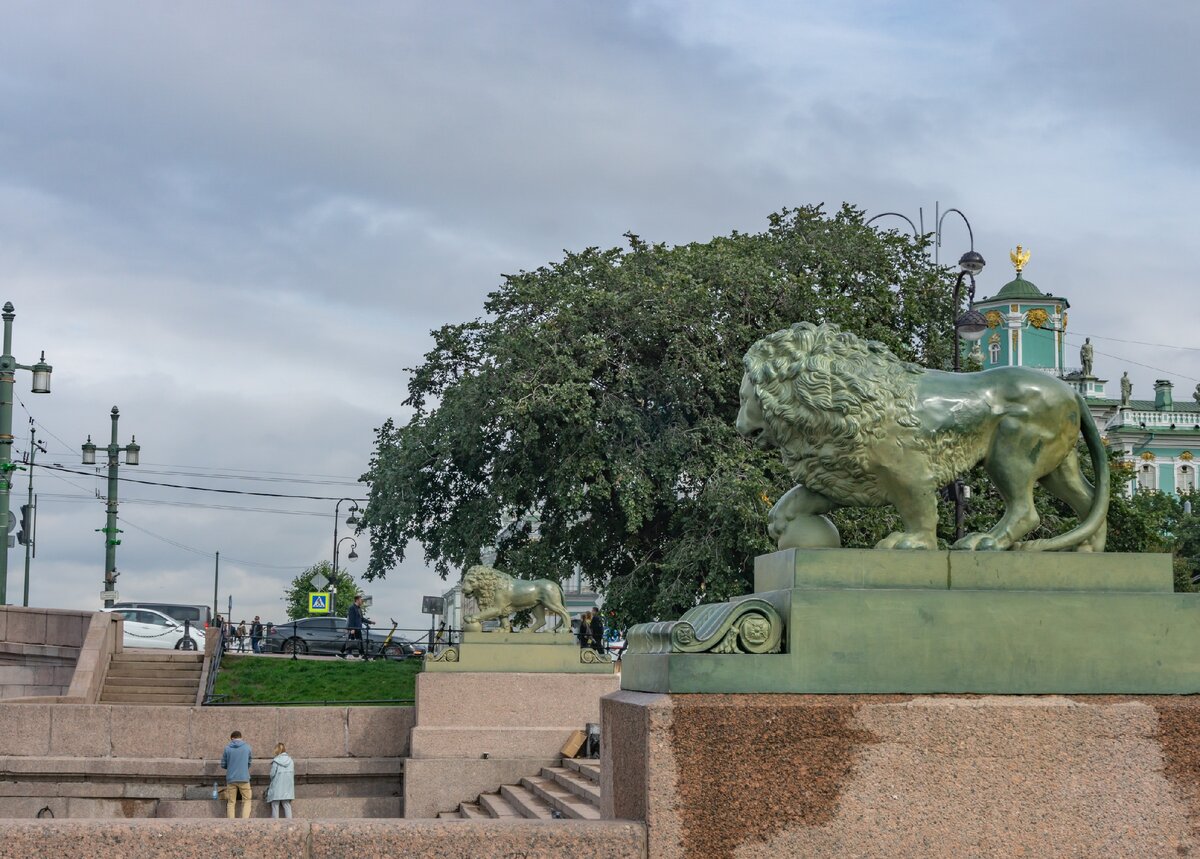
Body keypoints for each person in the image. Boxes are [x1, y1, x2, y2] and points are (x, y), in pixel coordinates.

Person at [220, 730, 253, 819]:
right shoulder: (247, 747)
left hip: (231, 778)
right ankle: (244, 821)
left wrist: (231, 766)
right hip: (244, 777)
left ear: (232, 738)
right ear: (241, 737)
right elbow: (249, 762)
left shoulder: (227, 748)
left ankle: (231, 823)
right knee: (247, 800)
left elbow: (223, 764)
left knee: (231, 802)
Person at [266, 742, 295, 819]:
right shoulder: (290, 760)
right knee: (286, 804)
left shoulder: (276, 761)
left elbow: (272, 774)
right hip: (288, 786)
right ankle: (290, 823)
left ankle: (275, 825)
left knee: (275, 804)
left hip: (277, 785)